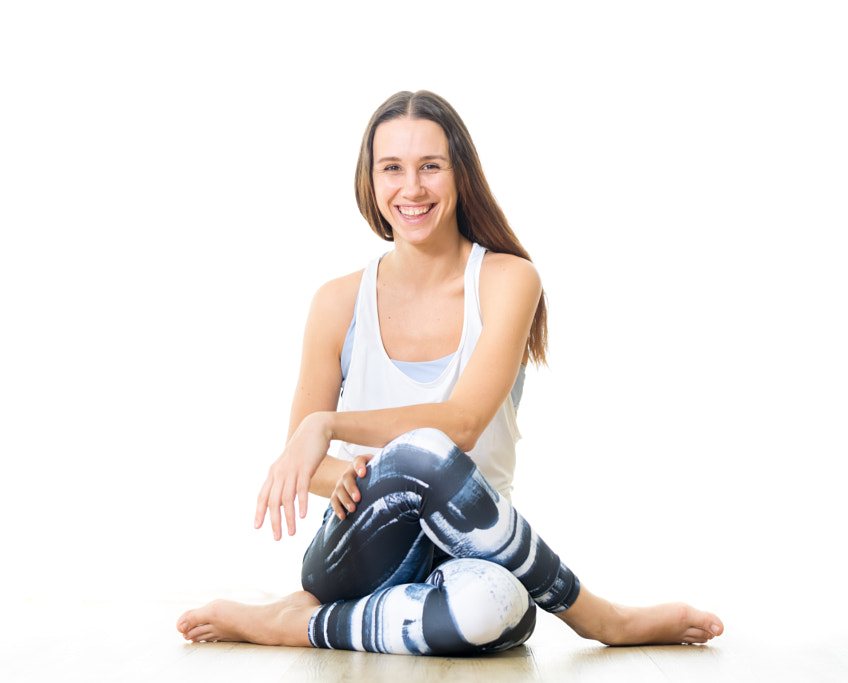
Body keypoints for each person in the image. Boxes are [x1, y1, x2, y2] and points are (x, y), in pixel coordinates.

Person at [176, 90, 724, 655]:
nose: (410, 188)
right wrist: (347, 470)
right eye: (392, 168)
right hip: (359, 551)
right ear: (370, 181)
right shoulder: (337, 302)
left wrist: (329, 423)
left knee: (494, 612)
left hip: (477, 552)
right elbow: (306, 465)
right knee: (420, 455)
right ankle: (603, 620)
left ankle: (294, 623)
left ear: (460, 175)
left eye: (429, 167)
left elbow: (462, 423)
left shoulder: (509, 280)